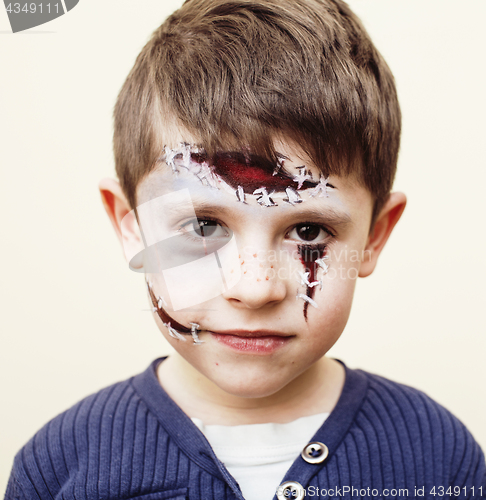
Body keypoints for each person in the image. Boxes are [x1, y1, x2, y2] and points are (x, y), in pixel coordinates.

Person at [5, 0, 485, 499]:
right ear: (133, 228)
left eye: (307, 232)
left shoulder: (439, 455)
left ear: (374, 236)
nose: (255, 288)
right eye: (204, 225)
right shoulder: (59, 466)